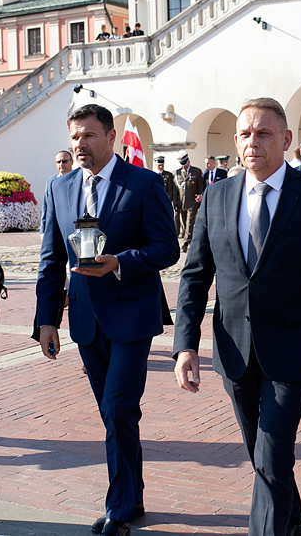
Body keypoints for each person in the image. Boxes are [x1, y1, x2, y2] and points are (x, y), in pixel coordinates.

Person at [174, 97, 301, 536]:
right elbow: (194, 276)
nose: (252, 142)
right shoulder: (218, 196)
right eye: (245, 134)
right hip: (233, 351)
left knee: (272, 452)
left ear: (285, 140)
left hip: (291, 351)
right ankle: (294, 519)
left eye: (263, 133)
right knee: (263, 455)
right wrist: (185, 345)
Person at [36, 103, 179, 536]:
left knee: (118, 406)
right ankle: (132, 495)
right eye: (74, 137)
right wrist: (46, 321)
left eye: (89, 136)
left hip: (132, 314)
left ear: (111, 137)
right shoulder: (58, 188)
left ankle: (118, 508)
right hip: (84, 318)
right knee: (114, 413)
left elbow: (166, 248)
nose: (80, 144)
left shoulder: (143, 183)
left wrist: (119, 261)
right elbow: (50, 258)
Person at [175, 154, 205, 250]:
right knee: (184, 223)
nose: (183, 166)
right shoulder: (177, 173)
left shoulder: (196, 171)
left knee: (190, 223)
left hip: (192, 201)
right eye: (182, 164)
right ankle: (188, 239)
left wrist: (200, 197)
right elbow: (176, 190)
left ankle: (185, 243)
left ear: (189, 161)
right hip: (182, 202)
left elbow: (201, 186)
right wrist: (175, 202)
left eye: (185, 164)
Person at [154, 156, 181, 235]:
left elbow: (171, 189)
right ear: (155, 165)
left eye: (162, 165)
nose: (161, 167)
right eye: (159, 165)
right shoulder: (152, 175)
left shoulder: (168, 175)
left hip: (166, 201)